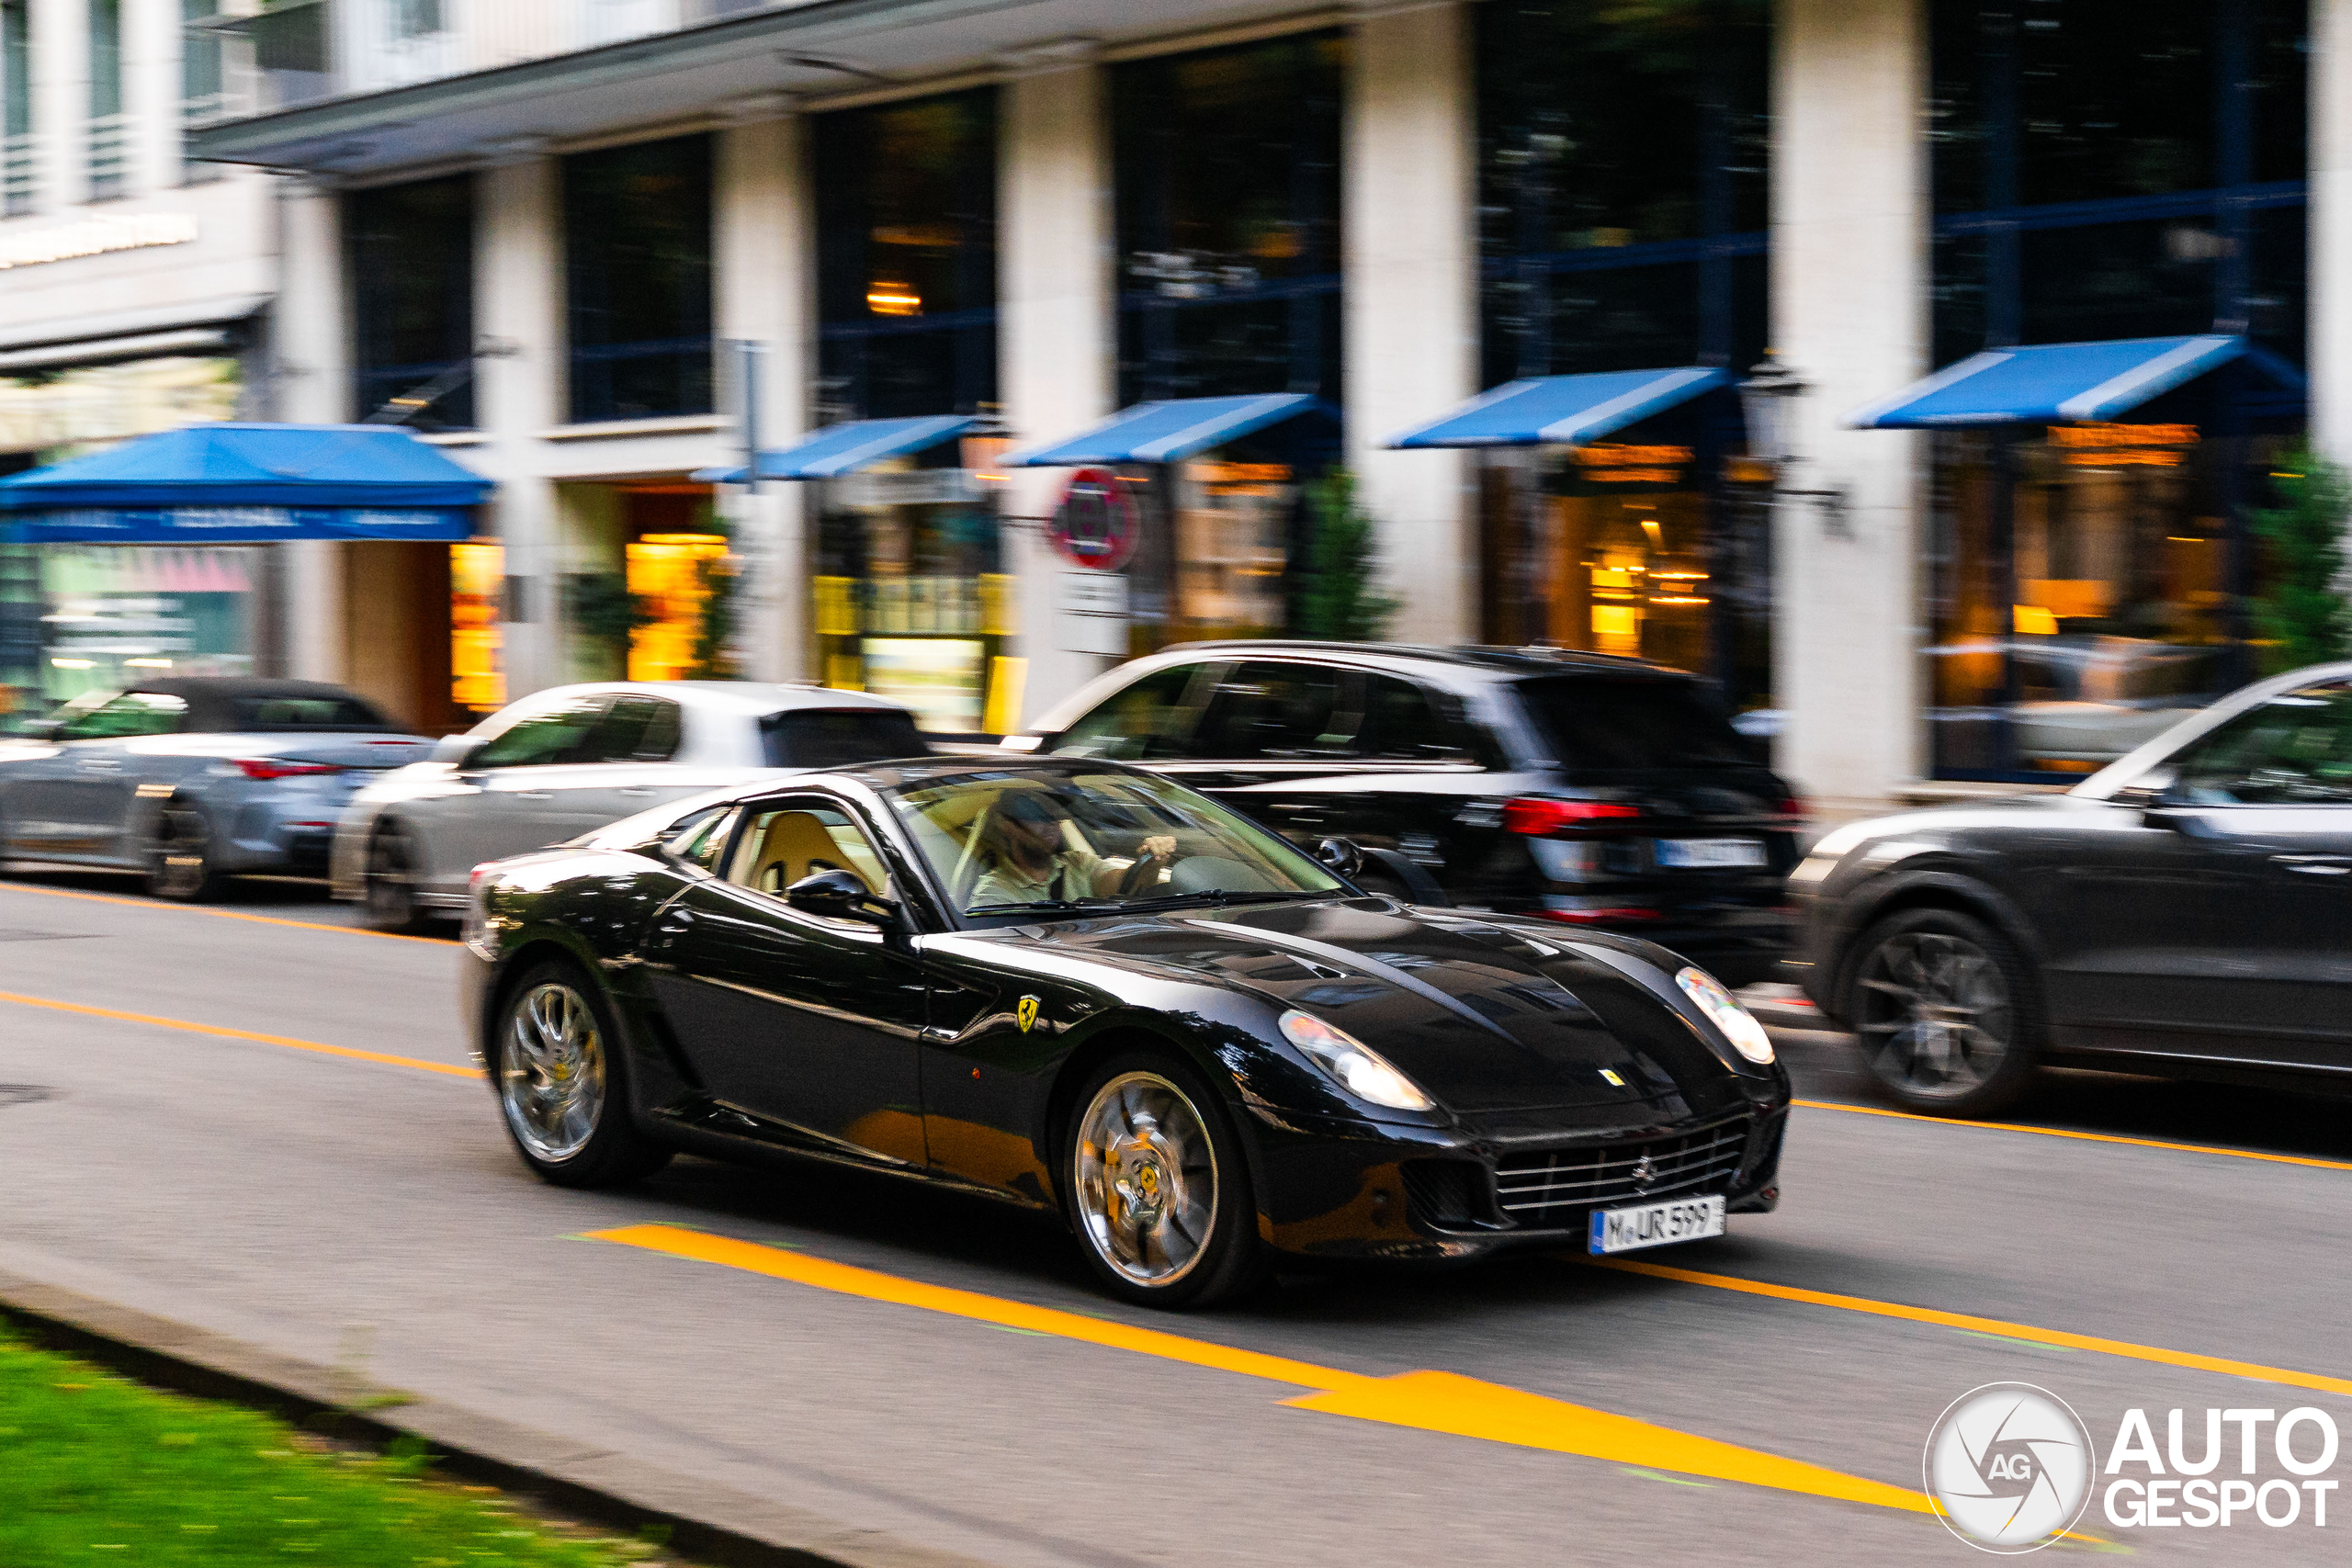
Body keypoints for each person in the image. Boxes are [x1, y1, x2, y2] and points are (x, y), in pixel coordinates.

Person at [967, 790, 1175, 909]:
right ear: (1008, 826)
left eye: (1055, 817)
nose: (1051, 824)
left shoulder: (1079, 863)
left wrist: (1152, 858)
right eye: (1037, 816)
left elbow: (1122, 884)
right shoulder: (993, 893)